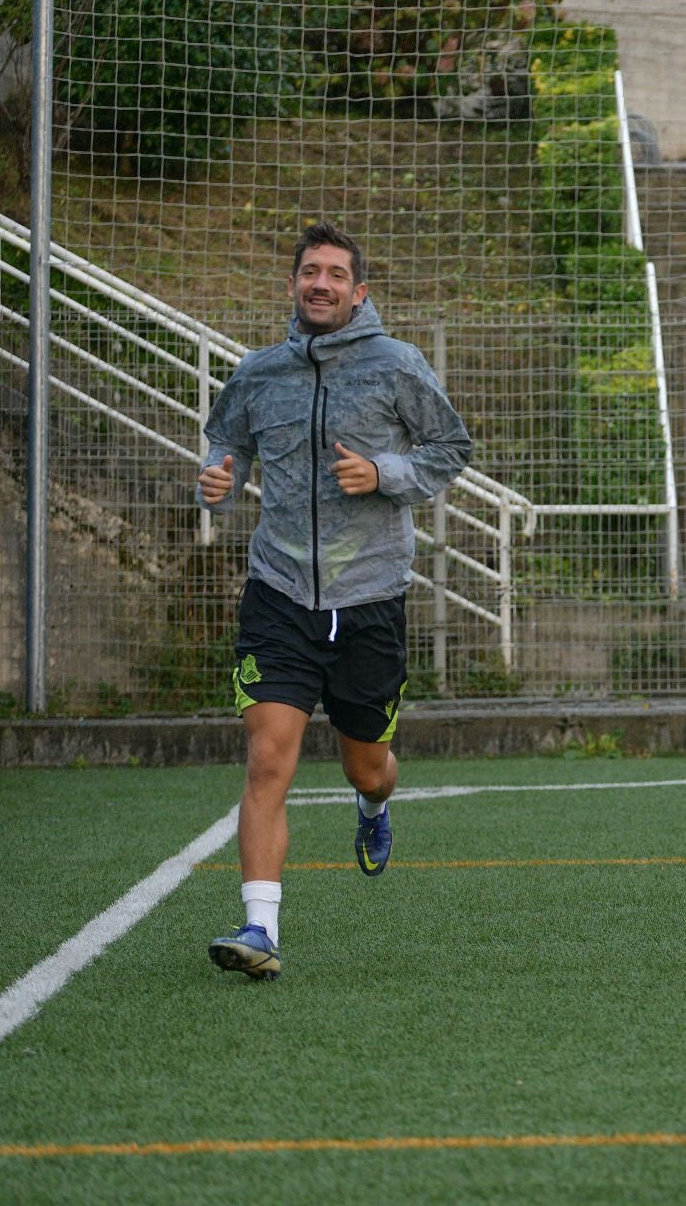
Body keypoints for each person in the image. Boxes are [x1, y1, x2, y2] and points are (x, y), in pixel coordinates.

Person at [197, 223, 473, 980]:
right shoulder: (258, 373)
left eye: (335, 274)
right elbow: (225, 443)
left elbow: (450, 447)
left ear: (359, 291)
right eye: (309, 272)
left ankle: (376, 808)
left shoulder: (398, 365)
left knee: (367, 767)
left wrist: (383, 472)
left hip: (370, 598)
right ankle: (259, 929)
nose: (320, 283)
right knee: (266, 761)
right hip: (278, 594)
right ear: (293, 286)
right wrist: (215, 480)